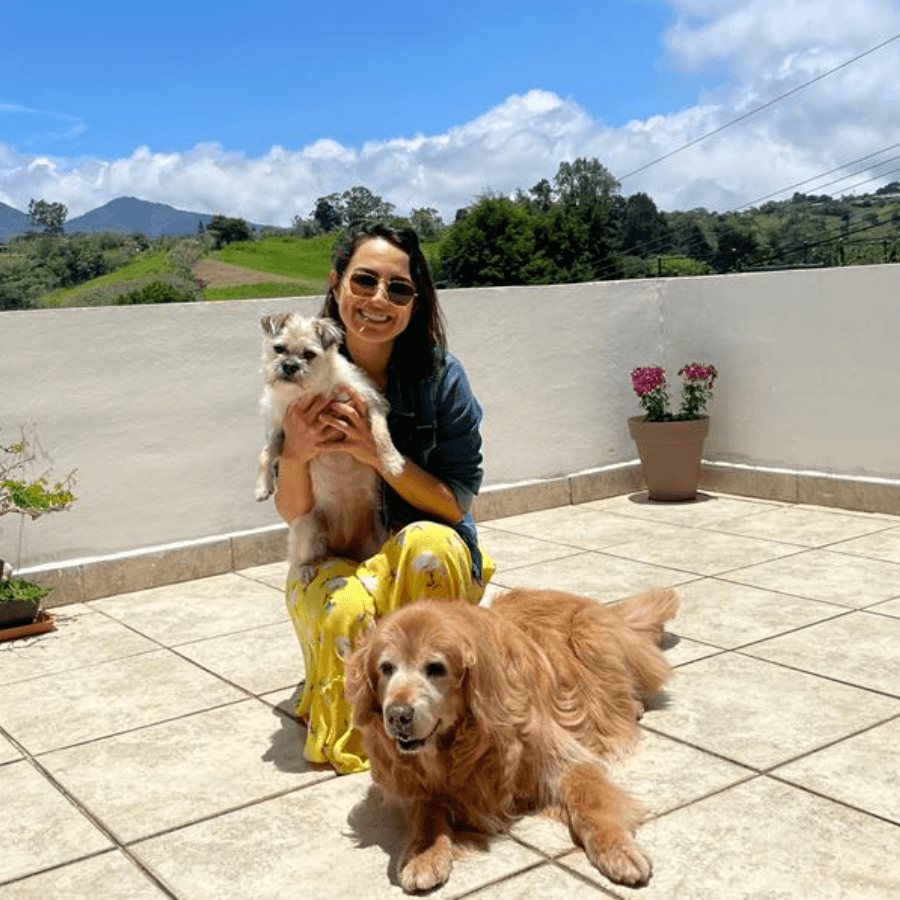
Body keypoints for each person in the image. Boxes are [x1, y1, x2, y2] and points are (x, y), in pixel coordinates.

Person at [275, 222, 494, 773]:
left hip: (411, 555)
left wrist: (377, 455)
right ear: (337, 283)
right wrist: (295, 453)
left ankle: (442, 707)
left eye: (398, 289)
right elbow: (293, 512)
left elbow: (456, 503)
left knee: (431, 543)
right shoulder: (304, 367)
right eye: (364, 281)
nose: (378, 300)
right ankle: (354, 726)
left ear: (416, 303)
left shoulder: (442, 378)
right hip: (335, 550)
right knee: (345, 603)